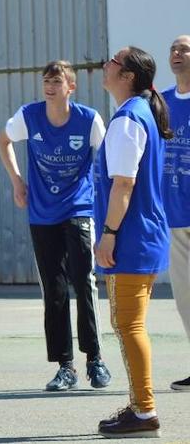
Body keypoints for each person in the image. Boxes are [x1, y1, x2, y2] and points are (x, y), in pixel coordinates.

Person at [0, 60, 111, 392]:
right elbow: (3, 140)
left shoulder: (89, 120)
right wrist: (17, 181)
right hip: (42, 213)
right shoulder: (28, 116)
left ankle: (94, 359)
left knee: (83, 282)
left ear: (70, 87)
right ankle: (66, 366)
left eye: (56, 81)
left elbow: (105, 162)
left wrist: (106, 209)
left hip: (79, 208)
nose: (49, 86)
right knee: (55, 289)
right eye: (46, 80)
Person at [93, 46, 173, 438]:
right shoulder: (141, 114)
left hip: (131, 236)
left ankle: (144, 411)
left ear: (127, 76)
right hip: (142, 233)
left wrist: (108, 234)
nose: (105, 65)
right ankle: (141, 406)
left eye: (112, 61)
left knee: (128, 324)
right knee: (128, 323)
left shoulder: (127, 120)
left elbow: (123, 184)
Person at [162, 36, 190, 391]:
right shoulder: (162, 103)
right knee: (185, 300)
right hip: (174, 218)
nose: (177, 54)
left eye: (184, 49)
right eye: (173, 49)